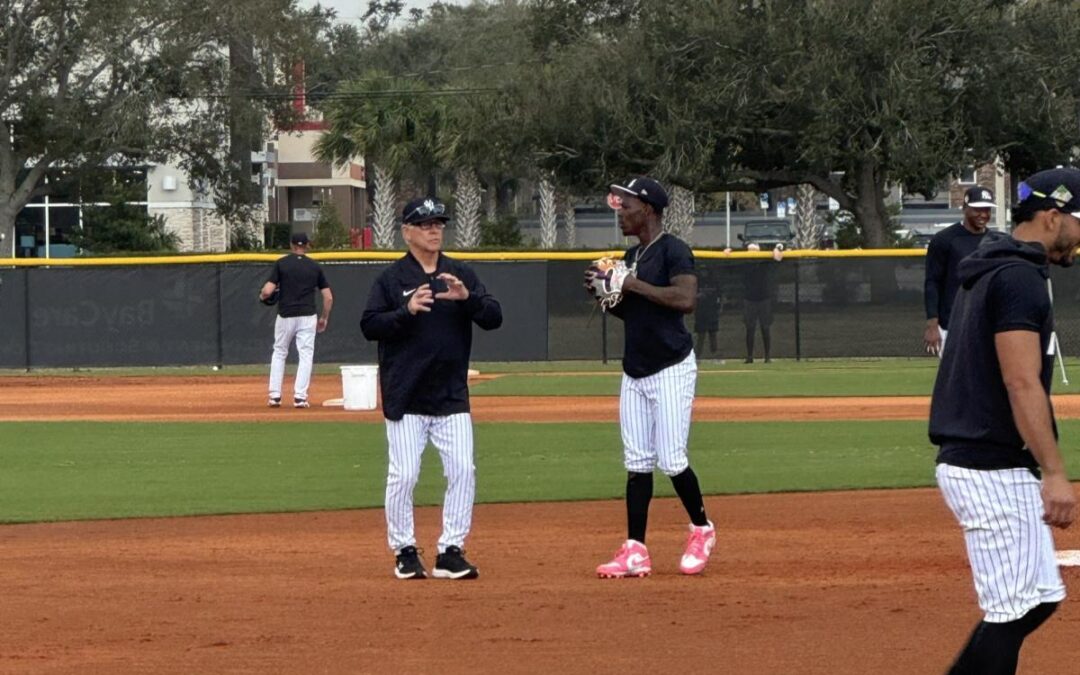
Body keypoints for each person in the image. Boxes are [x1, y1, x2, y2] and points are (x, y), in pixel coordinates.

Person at [929, 167, 1080, 674]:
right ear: (1053, 217)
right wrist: (1055, 472)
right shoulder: (1017, 278)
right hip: (989, 463)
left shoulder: (996, 264)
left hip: (990, 460)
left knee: (1037, 599)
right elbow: (1021, 382)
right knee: (1011, 610)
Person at [360, 196, 503, 581]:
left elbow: (494, 317)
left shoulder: (459, 274)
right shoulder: (391, 280)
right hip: (406, 393)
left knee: (462, 471)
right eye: (424, 224)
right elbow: (369, 325)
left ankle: (450, 551)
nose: (434, 229)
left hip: (451, 394)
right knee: (403, 475)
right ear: (407, 232)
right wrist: (404, 312)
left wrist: (468, 299)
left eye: (438, 223)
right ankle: (404, 549)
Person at [585, 177, 715, 578]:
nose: (620, 212)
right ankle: (635, 549)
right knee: (637, 462)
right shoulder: (632, 254)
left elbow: (685, 300)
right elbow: (638, 310)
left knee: (672, 459)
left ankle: (702, 529)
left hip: (672, 367)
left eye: (627, 205)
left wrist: (631, 283)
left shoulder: (674, 250)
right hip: (636, 370)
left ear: (650, 210)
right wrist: (608, 297)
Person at [260, 232, 332, 408]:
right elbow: (328, 297)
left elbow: (268, 291)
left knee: (279, 352)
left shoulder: (282, 264)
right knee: (305, 355)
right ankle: (300, 397)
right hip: (308, 316)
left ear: (292, 246)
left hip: (286, 315)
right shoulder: (314, 267)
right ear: (307, 245)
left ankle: (275, 396)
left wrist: (262, 296)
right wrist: (324, 317)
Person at [923, 185, 996, 356]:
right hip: (951, 324)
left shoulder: (995, 241)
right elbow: (932, 282)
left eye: (987, 210)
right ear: (965, 208)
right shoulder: (945, 239)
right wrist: (932, 325)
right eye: (977, 209)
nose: (983, 214)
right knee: (955, 380)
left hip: (987, 323)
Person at [742, 243, 776, 363]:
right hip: (749, 299)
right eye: (750, 251)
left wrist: (778, 249)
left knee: (765, 328)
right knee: (750, 329)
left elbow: (778, 259)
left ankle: (767, 356)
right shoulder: (743, 263)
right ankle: (749, 356)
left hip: (764, 299)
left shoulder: (764, 263)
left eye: (754, 251)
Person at [693, 268, 723, 357]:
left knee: (713, 334)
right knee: (701, 335)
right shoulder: (696, 282)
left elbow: (720, 295)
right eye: (702, 270)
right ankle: (698, 356)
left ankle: (714, 355)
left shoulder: (714, 282)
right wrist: (697, 296)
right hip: (700, 312)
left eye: (705, 270)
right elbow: (690, 295)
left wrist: (720, 307)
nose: (704, 272)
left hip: (712, 311)